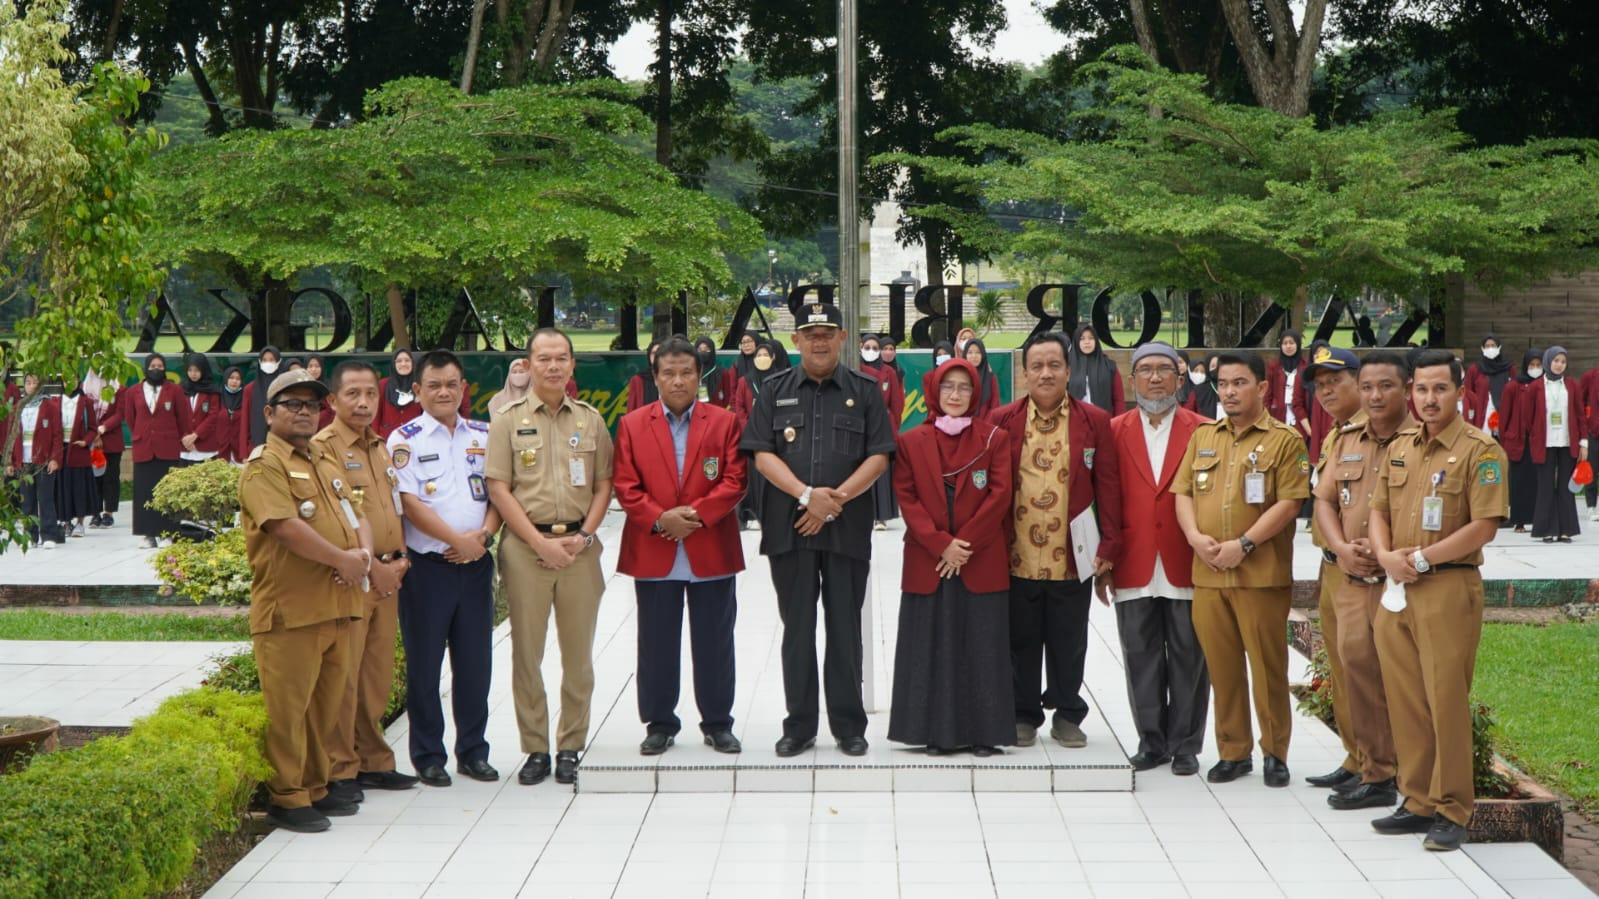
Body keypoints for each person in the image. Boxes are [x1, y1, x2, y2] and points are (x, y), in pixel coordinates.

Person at [739, 303, 895, 757]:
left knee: (845, 629)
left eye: (828, 332)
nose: (820, 340)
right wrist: (809, 496)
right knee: (797, 629)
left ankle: (849, 727)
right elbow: (761, 453)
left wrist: (833, 502)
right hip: (792, 528)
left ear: (843, 338)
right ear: (796, 341)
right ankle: (799, 726)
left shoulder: (865, 390)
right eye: (810, 334)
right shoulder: (774, 389)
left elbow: (879, 454)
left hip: (846, 528)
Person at [1368, 349, 1507, 852]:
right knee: (1404, 700)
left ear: (1460, 391)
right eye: (1422, 389)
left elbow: (1484, 526)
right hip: (1397, 588)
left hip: (1446, 586)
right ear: (1412, 392)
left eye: (1440, 389)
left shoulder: (1480, 450)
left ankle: (1452, 808)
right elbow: (1378, 508)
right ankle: (1418, 798)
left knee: (1444, 700)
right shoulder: (1401, 445)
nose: (1429, 399)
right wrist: (1385, 557)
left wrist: (1422, 559)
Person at [236, 368, 368, 833]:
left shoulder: (324, 461)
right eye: (292, 404)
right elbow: (284, 527)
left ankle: (315, 787)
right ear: (269, 413)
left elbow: (355, 514)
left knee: (324, 709)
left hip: (336, 605)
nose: (304, 412)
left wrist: (362, 553)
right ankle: (288, 796)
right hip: (292, 610)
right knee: (288, 710)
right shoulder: (263, 466)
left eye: (311, 405)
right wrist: (343, 558)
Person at [1172, 350, 1309, 787]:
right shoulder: (1203, 436)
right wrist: (1195, 537)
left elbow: (1290, 502)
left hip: (1260, 574)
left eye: (1239, 383)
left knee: (1268, 667)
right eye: (1223, 384)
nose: (1229, 392)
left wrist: (1245, 544)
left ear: (1263, 387)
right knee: (1222, 666)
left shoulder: (1285, 440)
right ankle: (1233, 752)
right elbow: (1183, 493)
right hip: (1209, 573)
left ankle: (1275, 752)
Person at [486, 329, 613, 786]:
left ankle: (570, 745)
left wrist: (585, 535)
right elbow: (498, 488)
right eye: (544, 358)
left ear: (572, 365)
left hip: (579, 549)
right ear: (529, 365)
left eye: (562, 358)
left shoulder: (590, 420)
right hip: (526, 549)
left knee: (578, 656)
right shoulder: (506, 420)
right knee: (527, 654)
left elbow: (603, 484)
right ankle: (535, 747)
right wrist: (539, 544)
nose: (553, 366)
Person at [613, 337, 747, 756]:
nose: (677, 381)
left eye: (686, 372)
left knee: (715, 643)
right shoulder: (632, 424)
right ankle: (659, 723)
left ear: (699, 375)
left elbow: (734, 479)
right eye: (668, 373)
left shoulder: (724, 422)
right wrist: (660, 518)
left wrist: (694, 516)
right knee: (655, 644)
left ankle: (717, 723)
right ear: (654, 378)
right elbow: (625, 484)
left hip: (710, 547)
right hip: (655, 548)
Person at [990, 331, 1122, 749]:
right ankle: (1022, 714)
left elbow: (1110, 488)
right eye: (1037, 366)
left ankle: (1067, 713)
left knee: (1069, 639)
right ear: (1025, 374)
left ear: (1068, 371)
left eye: (1054, 365)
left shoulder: (1094, 421)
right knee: (1020, 640)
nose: (1045, 373)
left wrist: (1109, 549)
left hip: (1073, 554)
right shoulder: (1001, 421)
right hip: (1017, 554)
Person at [888, 357, 1015, 755]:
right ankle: (933, 733)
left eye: (964, 387)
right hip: (930, 558)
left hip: (980, 557)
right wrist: (940, 543)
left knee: (982, 644)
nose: (956, 395)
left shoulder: (994, 437)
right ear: (934, 392)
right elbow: (906, 498)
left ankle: (983, 733)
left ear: (975, 392)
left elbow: (999, 496)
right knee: (931, 643)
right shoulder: (910, 441)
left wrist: (963, 546)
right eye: (948, 387)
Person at [388, 350, 501, 788]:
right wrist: (459, 543)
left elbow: (498, 493)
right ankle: (428, 755)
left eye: (451, 384)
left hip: (475, 565)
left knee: (476, 664)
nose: (443, 392)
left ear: (463, 388)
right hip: (428, 569)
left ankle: (473, 751)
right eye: (433, 385)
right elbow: (410, 505)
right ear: (417, 390)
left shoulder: (484, 434)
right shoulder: (405, 440)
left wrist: (483, 539)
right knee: (425, 664)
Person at [1305, 348, 1412, 810]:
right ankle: (1367, 762)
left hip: (1402, 578)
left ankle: (1397, 771)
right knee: (1352, 669)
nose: (1327, 390)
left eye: (1338, 381)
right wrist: (1343, 549)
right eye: (1319, 384)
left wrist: (1383, 551)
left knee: (1399, 676)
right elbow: (1325, 500)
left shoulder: (1417, 438)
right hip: (1342, 569)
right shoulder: (1343, 439)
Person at [1098, 343, 1209, 775]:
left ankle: (1185, 745)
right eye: (1146, 370)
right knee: (1140, 654)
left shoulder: (1204, 431)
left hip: (1186, 559)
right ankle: (1151, 741)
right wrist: (1104, 561)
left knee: (1190, 656)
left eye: (1166, 369)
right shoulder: (1112, 431)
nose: (1156, 377)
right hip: (1133, 558)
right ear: (1132, 379)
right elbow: (1104, 500)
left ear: (1180, 378)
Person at [314, 361, 418, 800]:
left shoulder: (379, 445)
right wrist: (374, 566)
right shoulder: (324, 448)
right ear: (332, 401)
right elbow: (340, 514)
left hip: (390, 575)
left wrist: (399, 561)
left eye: (370, 394)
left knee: (376, 675)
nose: (363, 402)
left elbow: (391, 508)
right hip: (357, 576)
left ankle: (373, 759)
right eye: (352, 394)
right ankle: (339, 769)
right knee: (346, 675)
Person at [98, 354, 194, 547]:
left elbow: (182, 417)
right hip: (144, 447)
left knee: (168, 491)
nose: (156, 369)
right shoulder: (133, 391)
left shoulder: (174, 390)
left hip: (167, 447)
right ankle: (149, 534)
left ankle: (168, 533)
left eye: (160, 366)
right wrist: (143, 435)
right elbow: (131, 419)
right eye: (152, 365)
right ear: (146, 368)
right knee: (145, 492)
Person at [1520, 346, 1584, 542]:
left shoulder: (1572, 385)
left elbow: (1580, 414)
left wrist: (1584, 443)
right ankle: (1546, 529)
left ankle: (1566, 529)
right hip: (1544, 442)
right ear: (1548, 362)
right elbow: (1527, 417)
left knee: (1566, 486)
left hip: (1567, 442)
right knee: (1546, 486)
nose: (1559, 365)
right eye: (1556, 361)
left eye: (1563, 362)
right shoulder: (1536, 387)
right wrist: (1537, 434)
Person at [9, 372, 64, 548]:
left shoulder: (50, 406)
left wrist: (55, 458)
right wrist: (10, 461)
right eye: (28, 382)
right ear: (23, 385)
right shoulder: (18, 407)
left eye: (35, 382)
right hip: (23, 460)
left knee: (46, 498)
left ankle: (48, 534)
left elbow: (57, 434)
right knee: (27, 500)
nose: (31, 385)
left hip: (43, 459)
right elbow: (11, 435)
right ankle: (30, 535)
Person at [860, 333, 905, 531]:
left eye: (874, 348)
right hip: (861, 427)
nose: (871, 351)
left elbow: (896, 403)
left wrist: (893, 426)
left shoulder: (889, 372)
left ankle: (881, 516)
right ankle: (862, 514)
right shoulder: (855, 369)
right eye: (867, 347)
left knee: (882, 470)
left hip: (883, 427)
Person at [737, 341, 781, 530]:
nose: (761, 359)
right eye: (758, 356)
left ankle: (771, 513)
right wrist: (750, 427)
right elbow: (738, 407)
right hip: (751, 435)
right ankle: (751, 512)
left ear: (772, 358)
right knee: (751, 475)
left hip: (773, 435)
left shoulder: (779, 380)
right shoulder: (744, 381)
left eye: (765, 355)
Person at [1500, 347, 1542, 532]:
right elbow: (1505, 416)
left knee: (1537, 481)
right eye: (1532, 365)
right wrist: (1506, 439)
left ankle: (1536, 518)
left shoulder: (1544, 385)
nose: (1535, 368)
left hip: (1537, 442)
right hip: (1517, 441)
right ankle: (1519, 520)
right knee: (1518, 482)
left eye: (1538, 365)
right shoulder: (1513, 386)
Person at [55, 372, 101, 538]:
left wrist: (85, 441)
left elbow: (93, 427)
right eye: (66, 379)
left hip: (78, 450)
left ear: (78, 382)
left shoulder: (85, 402)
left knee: (79, 488)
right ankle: (66, 522)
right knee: (64, 487)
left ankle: (80, 523)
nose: (70, 383)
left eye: (73, 379)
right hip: (61, 451)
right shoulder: (56, 401)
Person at [80, 368, 125, 527]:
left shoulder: (118, 388)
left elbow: (120, 414)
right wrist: (94, 434)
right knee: (94, 479)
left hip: (111, 439)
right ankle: (95, 513)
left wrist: (101, 429)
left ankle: (109, 513)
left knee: (111, 478)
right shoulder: (85, 388)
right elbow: (83, 412)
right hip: (91, 439)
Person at [179, 354, 226, 466]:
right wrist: (185, 437)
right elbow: (177, 415)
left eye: (196, 370)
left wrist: (195, 435)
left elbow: (213, 416)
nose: (193, 374)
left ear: (203, 370)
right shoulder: (181, 389)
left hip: (206, 446)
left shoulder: (212, 391)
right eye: (190, 370)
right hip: (185, 447)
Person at [1465, 334, 1515, 441]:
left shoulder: (1509, 368)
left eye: (1493, 345)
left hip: (1503, 413)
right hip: (1481, 414)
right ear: (1482, 348)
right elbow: (1468, 393)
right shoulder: (1475, 369)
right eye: (1487, 346)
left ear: (1499, 347)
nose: (1490, 348)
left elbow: (1514, 393)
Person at [1066, 324, 1125, 414]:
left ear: (1096, 341)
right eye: (1082, 339)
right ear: (1076, 341)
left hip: (1103, 419)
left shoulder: (1109, 365)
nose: (1087, 342)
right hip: (1075, 420)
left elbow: (1118, 399)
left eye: (1091, 338)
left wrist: (1119, 423)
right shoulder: (1067, 366)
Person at [237, 346, 284, 456]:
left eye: (272, 360)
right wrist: (244, 453)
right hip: (255, 449)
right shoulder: (250, 389)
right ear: (259, 362)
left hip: (281, 447)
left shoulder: (284, 387)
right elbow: (245, 421)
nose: (268, 363)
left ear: (278, 362)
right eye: (264, 360)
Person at [1265, 330, 1311, 442]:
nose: (1288, 346)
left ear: (1298, 345)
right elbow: (1267, 395)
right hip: (1278, 413)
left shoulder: (1306, 366)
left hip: (1301, 414)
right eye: (1285, 343)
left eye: (1292, 343)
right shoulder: (1273, 366)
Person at [693, 335, 752, 418]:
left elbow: (729, 395)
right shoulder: (691, 373)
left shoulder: (722, 372)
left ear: (712, 351)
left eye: (707, 349)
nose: (703, 352)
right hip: (696, 416)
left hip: (718, 417)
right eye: (699, 349)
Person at [962, 338, 1002, 420]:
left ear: (983, 355)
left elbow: (995, 406)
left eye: (978, 352)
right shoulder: (961, 377)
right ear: (965, 355)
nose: (974, 356)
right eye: (970, 352)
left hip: (985, 426)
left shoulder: (991, 378)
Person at [625, 339, 663, 414]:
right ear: (649, 356)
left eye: (661, 353)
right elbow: (631, 409)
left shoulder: (672, 378)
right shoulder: (638, 379)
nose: (657, 356)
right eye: (654, 353)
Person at [217, 366, 247, 463]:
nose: (234, 381)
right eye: (231, 378)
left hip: (240, 453)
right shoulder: (217, 397)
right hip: (219, 451)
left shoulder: (246, 399)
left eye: (238, 379)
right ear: (226, 379)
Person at [1184, 353, 1221, 419]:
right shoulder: (1198, 390)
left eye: (1219, 365)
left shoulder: (1231, 388)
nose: (1217, 369)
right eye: (1213, 366)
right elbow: (1188, 415)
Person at [305, 354, 336, 430]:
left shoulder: (329, 387)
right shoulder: (301, 387)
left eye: (317, 366)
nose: (314, 369)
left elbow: (333, 410)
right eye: (310, 366)